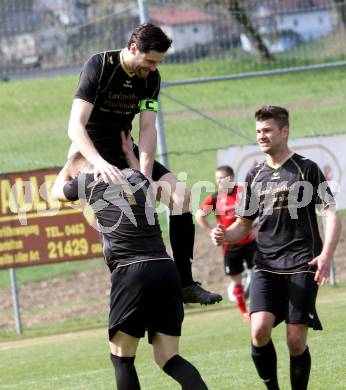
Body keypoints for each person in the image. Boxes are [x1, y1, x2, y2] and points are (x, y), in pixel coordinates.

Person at [66, 22, 221, 305]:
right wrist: (98, 162)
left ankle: (185, 283)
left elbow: (148, 128)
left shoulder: (151, 78)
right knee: (118, 213)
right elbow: (75, 127)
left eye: (157, 63)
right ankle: (130, 289)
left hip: (125, 148)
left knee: (181, 196)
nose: (152, 68)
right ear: (133, 48)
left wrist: (144, 174)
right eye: (149, 61)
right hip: (90, 154)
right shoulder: (99, 66)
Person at [51, 149, 209, 390]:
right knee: (169, 358)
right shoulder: (137, 177)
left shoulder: (88, 180)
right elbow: (149, 182)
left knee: (122, 359)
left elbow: (55, 192)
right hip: (166, 270)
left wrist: (72, 157)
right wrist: (127, 152)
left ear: (82, 171)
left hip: (132, 271)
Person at [211, 106, 341, 390]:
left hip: (302, 263)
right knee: (258, 332)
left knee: (295, 341)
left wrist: (326, 255)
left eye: (267, 130)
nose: (262, 136)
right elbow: (243, 226)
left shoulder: (306, 169)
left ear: (285, 131)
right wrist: (224, 235)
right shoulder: (254, 175)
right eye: (258, 131)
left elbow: (331, 214)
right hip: (266, 264)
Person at [196, 165, 256, 321]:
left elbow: (264, 211)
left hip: (250, 242)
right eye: (217, 179)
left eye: (221, 178)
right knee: (237, 281)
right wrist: (211, 232)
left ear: (231, 178)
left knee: (259, 276)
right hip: (230, 246)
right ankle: (244, 312)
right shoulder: (215, 198)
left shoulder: (243, 193)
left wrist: (259, 227)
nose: (219, 181)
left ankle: (259, 308)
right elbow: (199, 215)